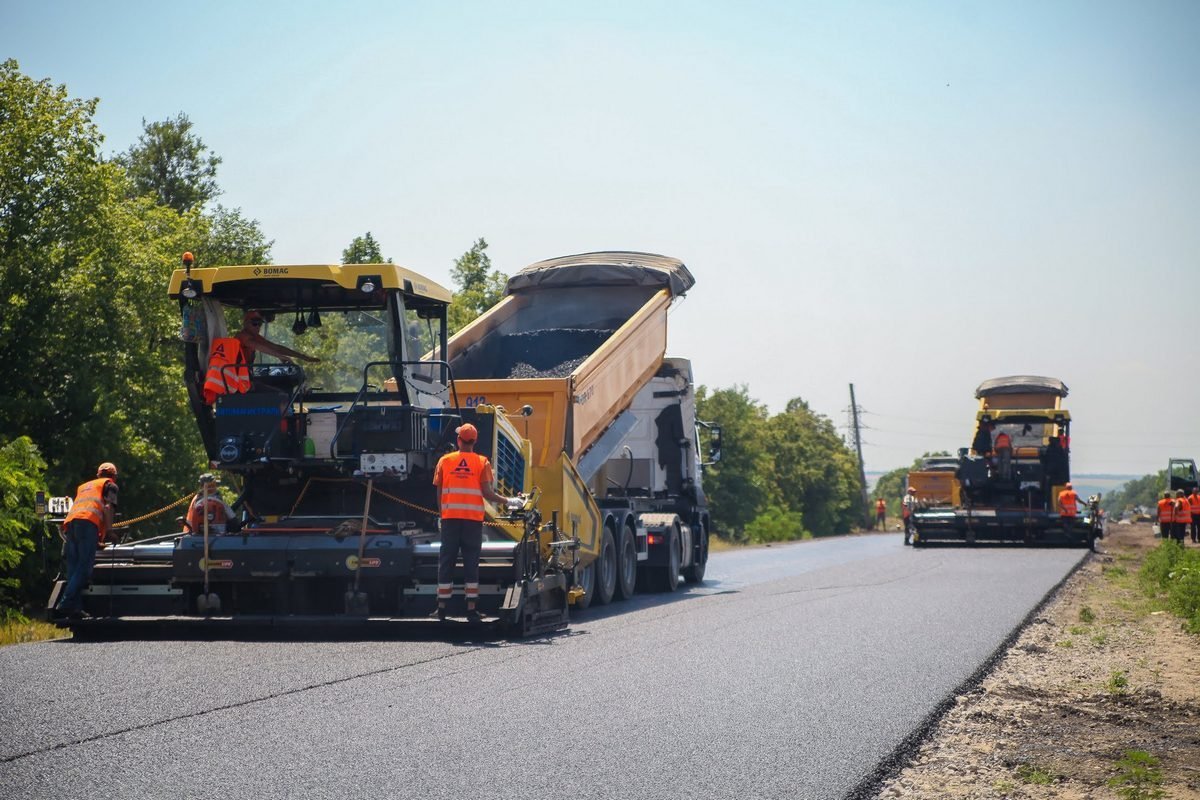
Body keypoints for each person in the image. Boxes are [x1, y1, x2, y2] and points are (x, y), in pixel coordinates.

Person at [431, 423, 513, 623]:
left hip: (450, 520)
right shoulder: (482, 462)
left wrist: (443, 514)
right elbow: (487, 493)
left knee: (446, 561)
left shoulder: (445, 460)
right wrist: (509, 501)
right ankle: (471, 609)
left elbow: (439, 492)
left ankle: (441, 608)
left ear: (459, 440)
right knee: (471, 563)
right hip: (473, 521)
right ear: (474, 441)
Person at [53, 462, 119, 620]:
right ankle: (66, 602)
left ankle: (75, 608)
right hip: (87, 524)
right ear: (114, 476)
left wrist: (96, 540)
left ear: (98, 475)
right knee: (84, 568)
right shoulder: (110, 485)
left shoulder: (84, 486)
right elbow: (108, 508)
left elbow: (86, 508)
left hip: (71, 525)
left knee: (73, 569)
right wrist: (109, 531)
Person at [234, 310, 320, 365]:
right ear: (245, 323)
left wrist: (304, 357)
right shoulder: (242, 336)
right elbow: (258, 346)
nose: (257, 327)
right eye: (254, 323)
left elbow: (276, 348)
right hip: (237, 382)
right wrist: (280, 356)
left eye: (260, 324)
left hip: (246, 378)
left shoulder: (255, 337)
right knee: (279, 393)